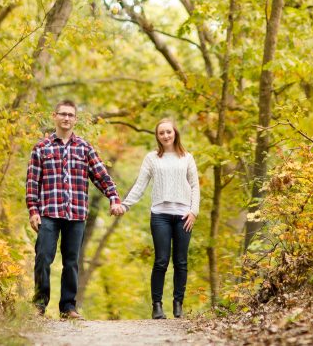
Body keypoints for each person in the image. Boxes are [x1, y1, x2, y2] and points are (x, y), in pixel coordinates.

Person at [26, 100, 124, 319]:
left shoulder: (84, 148)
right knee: (43, 258)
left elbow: (101, 176)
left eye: (70, 115)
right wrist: (33, 210)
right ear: (55, 116)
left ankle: (68, 308)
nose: (66, 118)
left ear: (75, 119)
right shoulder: (41, 148)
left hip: (76, 213)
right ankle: (39, 306)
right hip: (48, 213)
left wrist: (114, 198)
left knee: (71, 262)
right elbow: (32, 182)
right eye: (63, 114)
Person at [122, 118, 200, 319]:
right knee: (161, 261)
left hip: (184, 216)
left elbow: (195, 186)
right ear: (157, 136)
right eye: (161, 133)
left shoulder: (187, 158)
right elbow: (140, 185)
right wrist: (125, 204)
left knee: (181, 261)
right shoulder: (152, 158)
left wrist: (193, 212)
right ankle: (157, 305)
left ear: (175, 133)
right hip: (160, 216)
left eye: (168, 132)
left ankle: (178, 304)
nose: (166, 136)